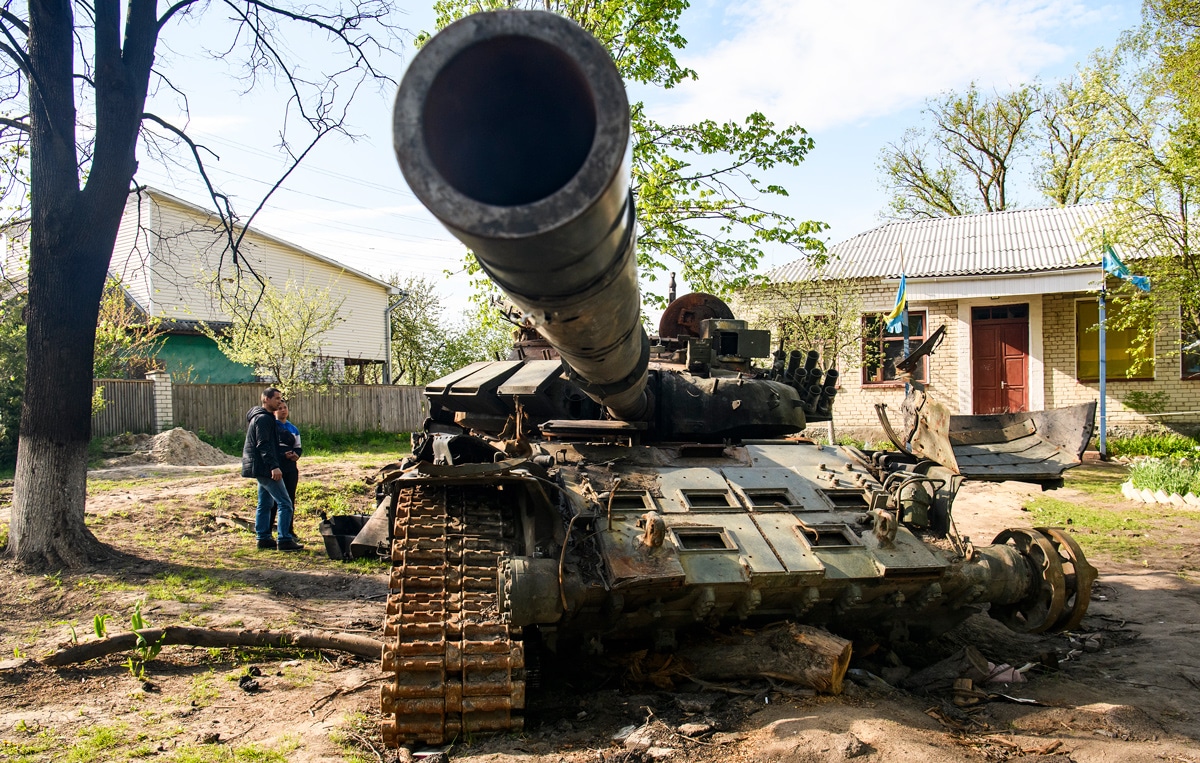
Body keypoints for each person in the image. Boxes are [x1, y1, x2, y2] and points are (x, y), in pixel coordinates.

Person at [242, 387, 303, 552]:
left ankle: (263, 538)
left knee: (265, 503)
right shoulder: (264, 419)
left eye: (280, 398)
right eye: (276, 398)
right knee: (285, 503)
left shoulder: (262, 417)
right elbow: (263, 445)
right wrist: (274, 466)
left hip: (260, 467)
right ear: (266, 399)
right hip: (265, 468)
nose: (279, 401)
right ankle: (284, 540)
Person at [270, 399, 302, 536]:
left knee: (290, 499)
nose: (283, 410)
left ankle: (289, 530)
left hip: (291, 467)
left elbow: (298, 448)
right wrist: (283, 455)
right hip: (277, 466)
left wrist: (295, 455)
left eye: (285, 407)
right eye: (280, 408)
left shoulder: (293, 428)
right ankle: (269, 528)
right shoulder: (272, 427)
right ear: (275, 411)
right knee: (274, 501)